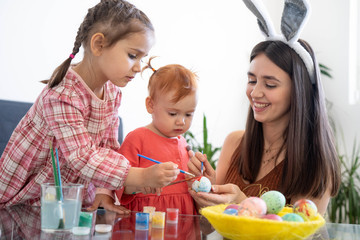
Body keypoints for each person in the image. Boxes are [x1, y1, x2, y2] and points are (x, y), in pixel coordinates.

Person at [0, 0, 180, 211]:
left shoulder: (112, 93)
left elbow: (108, 148)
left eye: (142, 58)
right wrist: (139, 176)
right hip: (22, 201)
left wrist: (104, 192)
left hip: (68, 200)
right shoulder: (62, 95)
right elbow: (82, 157)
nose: (139, 67)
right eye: (133, 55)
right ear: (99, 45)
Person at [187, 38, 341, 215]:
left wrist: (242, 202)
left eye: (270, 84)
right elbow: (208, 228)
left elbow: (299, 233)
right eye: (252, 81)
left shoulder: (315, 161)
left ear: (299, 91)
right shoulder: (234, 142)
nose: (255, 93)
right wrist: (208, 195)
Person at [95, 58, 199, 215]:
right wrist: (141, 182)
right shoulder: (137, 139)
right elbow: (120, 184)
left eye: (189, 114)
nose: (181, 121)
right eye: (172, 113)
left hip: (180, 220)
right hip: (144, 220)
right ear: (151, 105)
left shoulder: (184, 143)